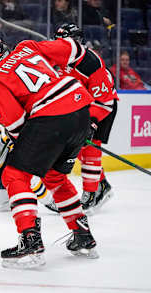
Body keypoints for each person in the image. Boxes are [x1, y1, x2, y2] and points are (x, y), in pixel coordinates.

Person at [0, 33, 98, 269]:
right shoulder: (26, 47)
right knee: (54, 176)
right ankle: (82, 236)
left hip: (50, 116)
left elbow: (16, 124)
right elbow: (73, 49)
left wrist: (21, 138)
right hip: (80, 108)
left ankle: (30, 242)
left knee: (14, 175)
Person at [50, 23, 118, 212]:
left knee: (90, 147)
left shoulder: (91, 63)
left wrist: (93, 122)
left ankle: (91, 192)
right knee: (76, 146)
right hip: (80, 106)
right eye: (58, 41)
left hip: (103, 106)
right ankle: (101, 184)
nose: (60, 45)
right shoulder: (56, 59)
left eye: (65, 41)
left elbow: (104, 100)